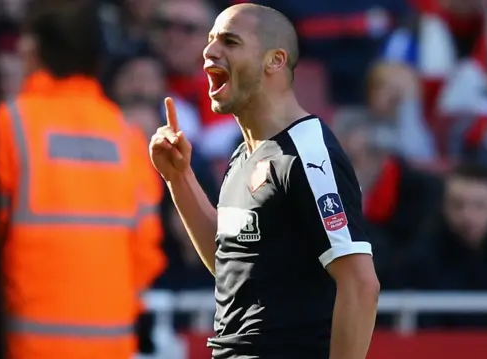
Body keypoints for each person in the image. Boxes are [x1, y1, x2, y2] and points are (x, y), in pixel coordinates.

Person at [0, 1, 165, 358]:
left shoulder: (13, 126)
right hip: (109, 345)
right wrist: (138, 310)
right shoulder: (123, 134)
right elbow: (142, 244)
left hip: (24, 347)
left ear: (34, 50)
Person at [150, 4, 380, 359]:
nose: (209, 51)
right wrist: (179, 179)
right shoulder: (245, 153)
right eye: (210, 41)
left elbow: (360, 283)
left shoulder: (307, 154)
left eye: (229, 41)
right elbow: (231, 262)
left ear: (274, 60)